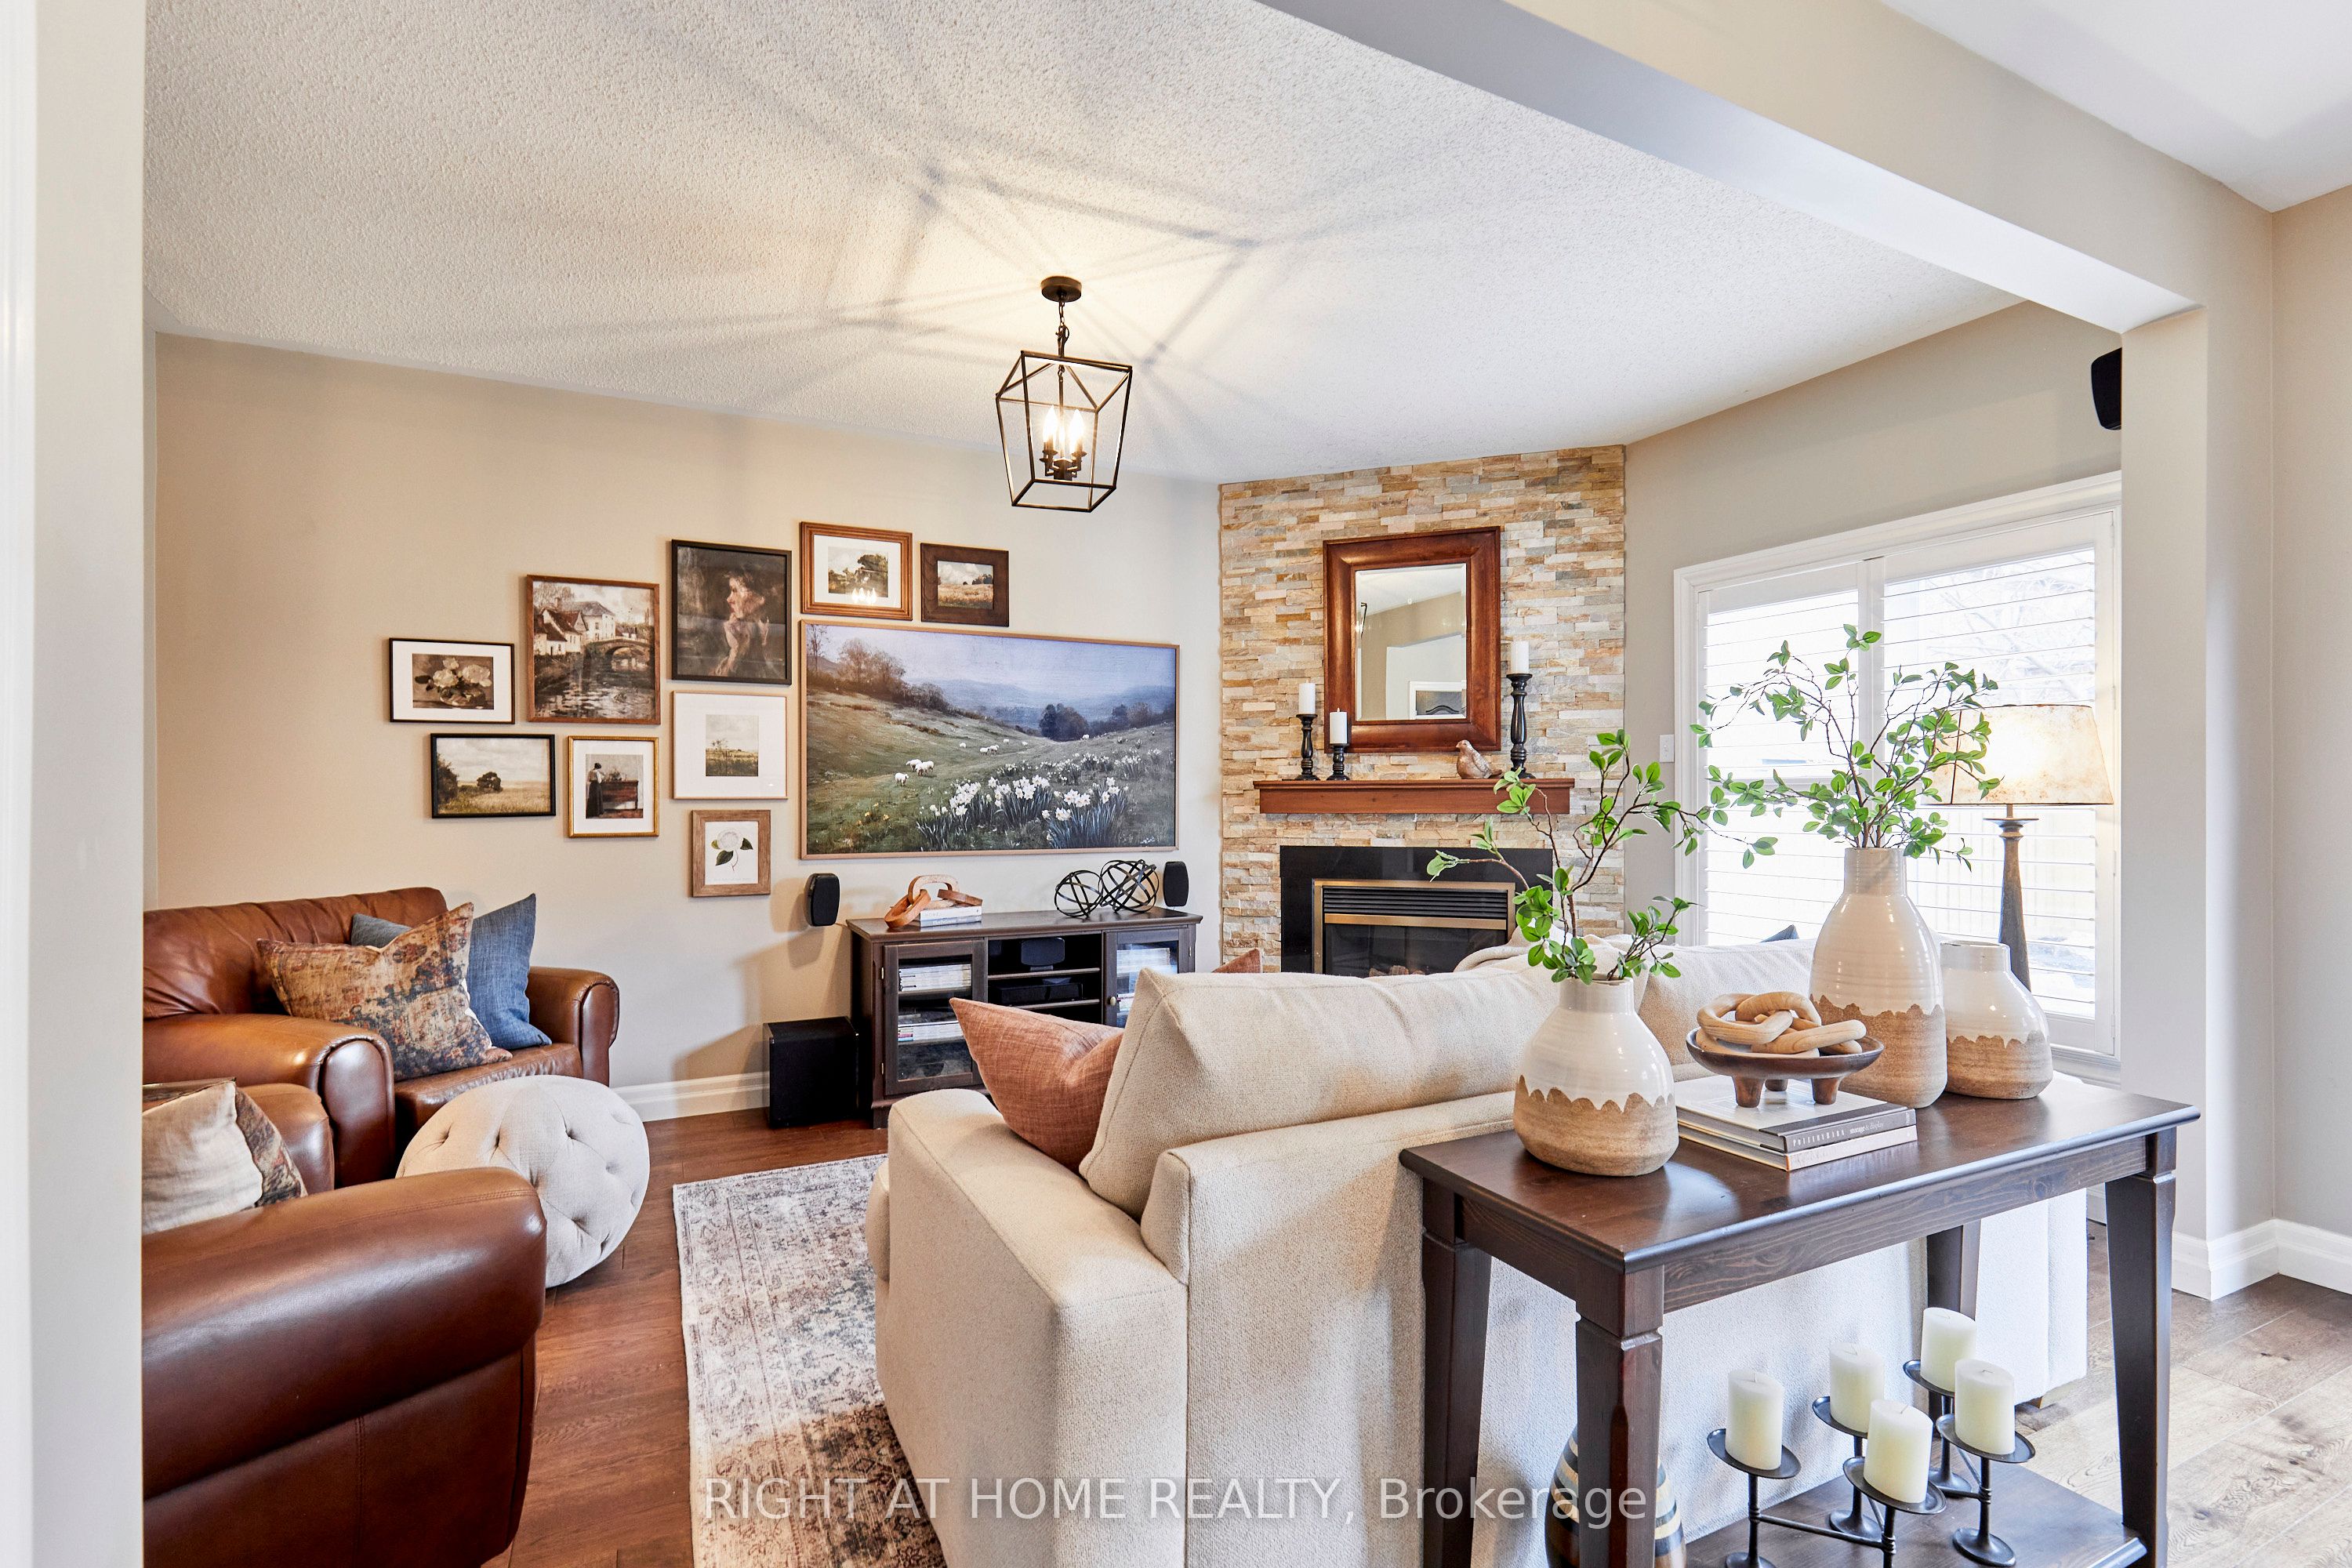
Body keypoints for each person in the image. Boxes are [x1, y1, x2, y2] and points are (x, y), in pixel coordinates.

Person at [717, 572, 770, 677]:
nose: (729, 599)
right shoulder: (739, 628)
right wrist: (736, 650)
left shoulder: (770, 636)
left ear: (756, 598)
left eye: (735, 591)